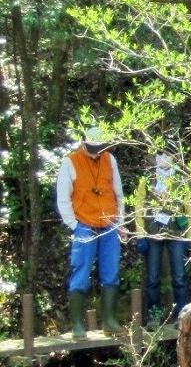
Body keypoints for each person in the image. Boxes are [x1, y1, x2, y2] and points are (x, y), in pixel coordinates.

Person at [57, 127, 126, 339]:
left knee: (111, 272)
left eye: (99, 147)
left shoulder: (110, 160)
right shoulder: (70, 162)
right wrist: (74, 225)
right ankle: (77, 325)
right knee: (81, 272)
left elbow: (119, 193)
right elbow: (63, 198)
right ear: (83, 143)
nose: (96, 152)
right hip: (84, 225)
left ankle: (109, 321)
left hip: (110, 224)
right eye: (92, 147)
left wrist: (121, 222)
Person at [138, 153, 191, 326]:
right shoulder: (147, 178)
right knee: (153, 278)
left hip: (176, 232)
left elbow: (188, 206)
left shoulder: (182, 179)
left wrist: (189, 236)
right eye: (160, 155)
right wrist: (140, 235)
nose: (164, 158)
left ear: (175, 157)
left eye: (168, 155)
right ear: (155, 157)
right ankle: (154, 317)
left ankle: (181, 316)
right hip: (153, 232)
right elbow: (138, 207)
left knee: (179, 277)